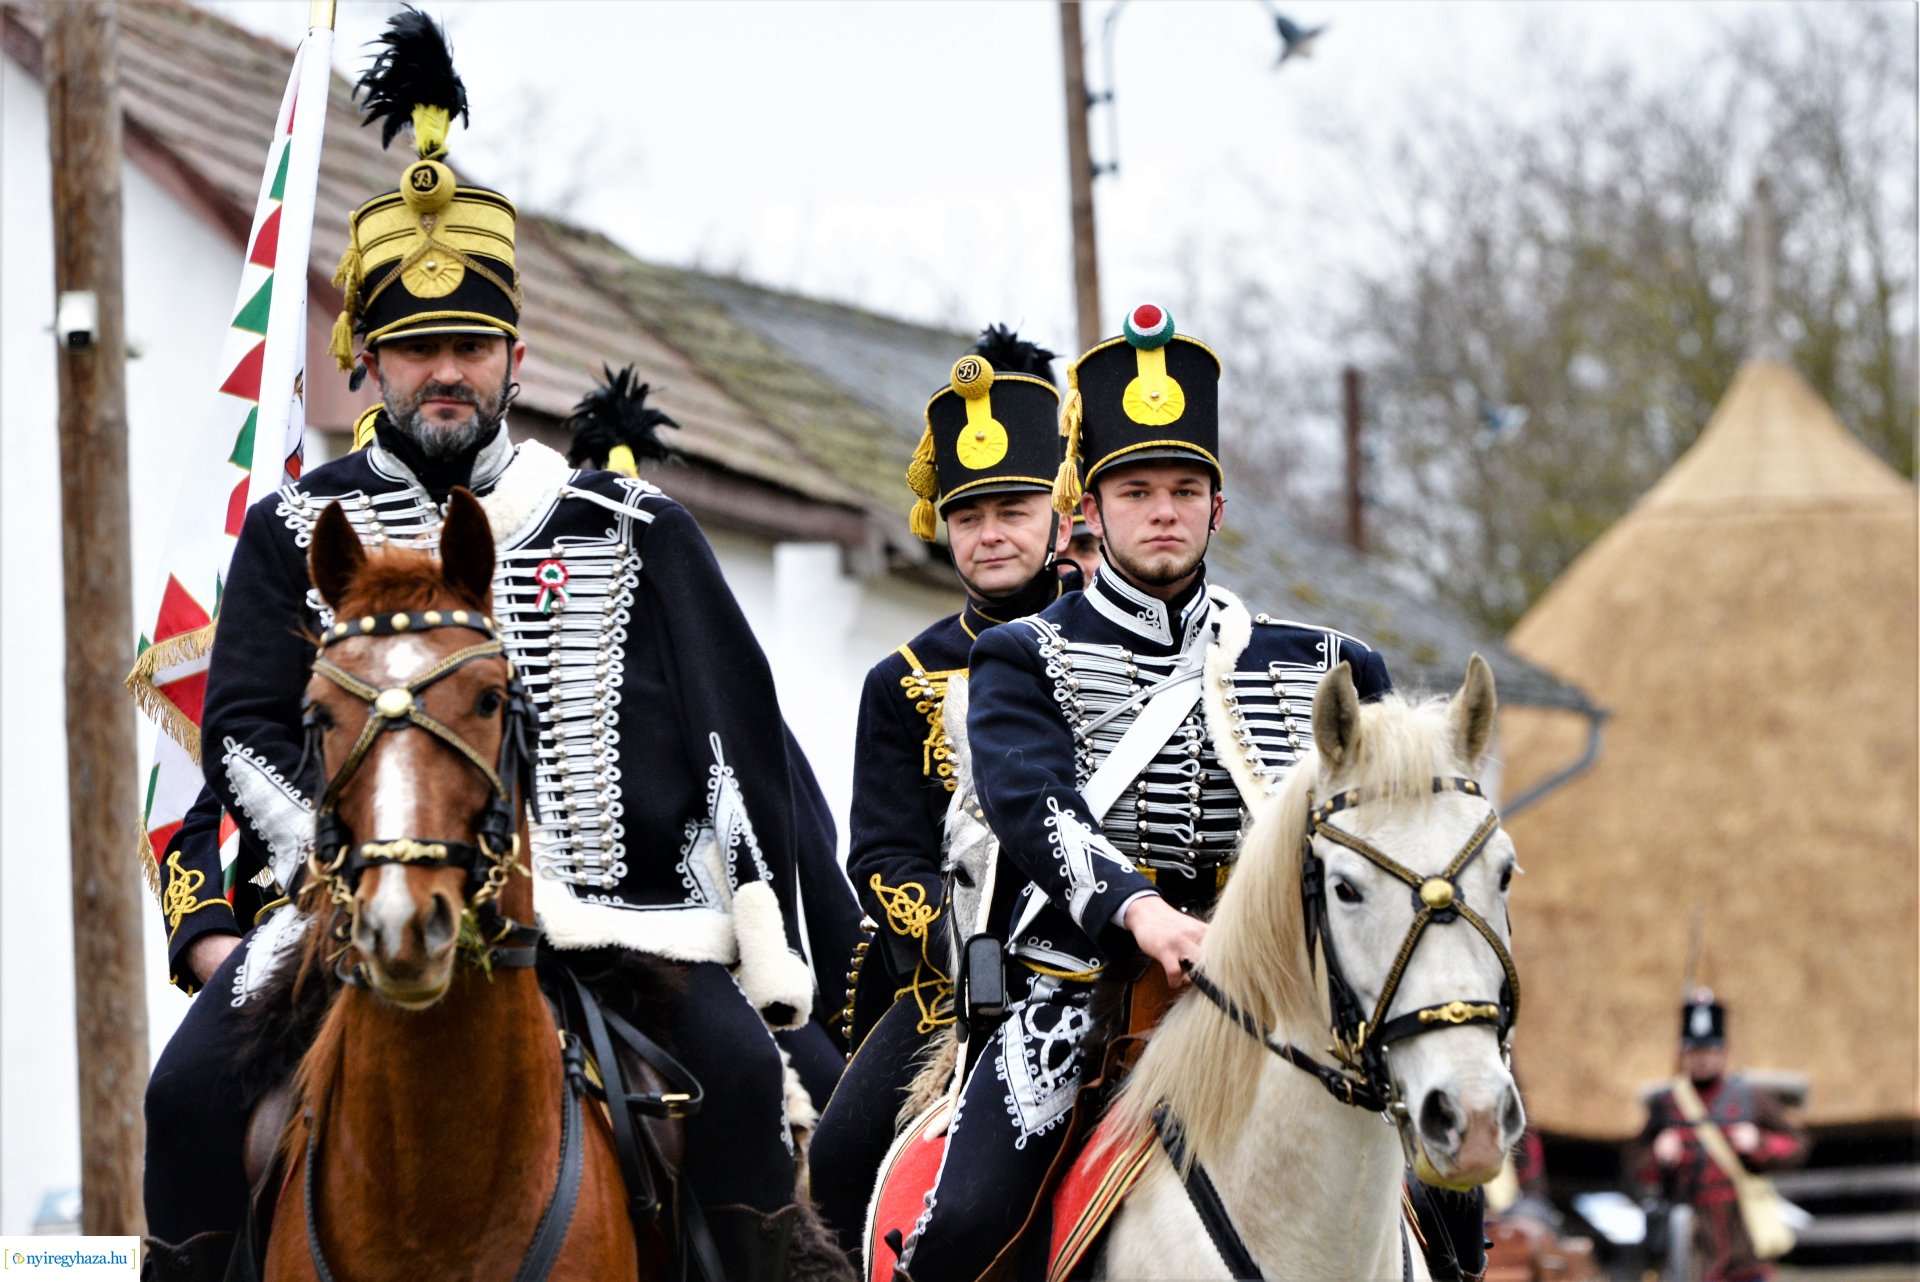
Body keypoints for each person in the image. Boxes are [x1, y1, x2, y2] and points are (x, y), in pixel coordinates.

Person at [142, 15, 838, 1278]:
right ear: (366, 362)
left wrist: (756, 920)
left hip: (625, 927)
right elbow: (243, 728)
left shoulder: (635, 528)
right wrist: (346, 870)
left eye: (469, 347)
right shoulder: (298, 530)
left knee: (742, 1095)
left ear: (517, 356)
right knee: (182, 1105)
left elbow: (739, 749)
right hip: (364, 901)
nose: (444, 374)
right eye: (416, 351)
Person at [889, 304, 1400, 1282]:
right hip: (1079, 987)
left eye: (1183, 487)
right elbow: (1034, 803)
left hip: (1281, 992)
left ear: (1218, 506)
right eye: (1136, 489)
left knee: (1442, 1192)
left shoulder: (1334, 663)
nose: (1161, 508)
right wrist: (1142, 911)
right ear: (1090, 508)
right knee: (961, 1233)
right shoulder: (1019, 656)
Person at [809, 325, 1076, 1251]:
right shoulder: (901, 679)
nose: (991, 533)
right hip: (953, 987)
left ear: (1061, 515)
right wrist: (969, 945)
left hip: (1124, 959)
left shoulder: (1120, 648)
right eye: (970, 515)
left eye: (1012, 508)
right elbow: (880, 853)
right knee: (836, 1166)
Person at [1635, 990, 1806, 1282]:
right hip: (1692, 1247)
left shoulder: (1751, 1097)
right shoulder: (1666, 1104)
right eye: (1694, 1052)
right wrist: (1658, 1155)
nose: (1702, 1060)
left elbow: (1796, 1146)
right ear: (1683, 1054)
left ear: (1724, 1052)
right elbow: (1636, 1168)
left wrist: (1759, 1144)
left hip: (1744, 1245)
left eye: (1709, 1051)